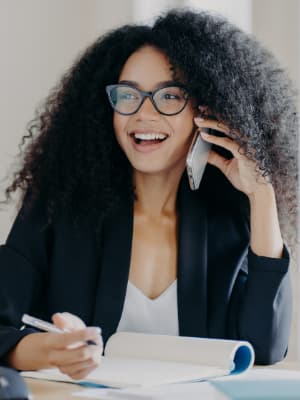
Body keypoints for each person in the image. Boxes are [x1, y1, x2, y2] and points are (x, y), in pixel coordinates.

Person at [0, 9, 298, 380]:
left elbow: (264, 347)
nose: (144, 113)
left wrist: (262, 195)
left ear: (205, 111)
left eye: (169, 96)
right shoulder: (57, 207)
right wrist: (43, 350)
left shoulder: (230, 218)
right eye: (128, 95)